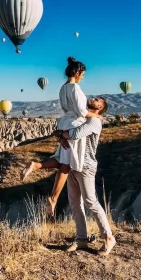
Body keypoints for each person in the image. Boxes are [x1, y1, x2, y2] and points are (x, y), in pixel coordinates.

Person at [21, 57, 99, 216]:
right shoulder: (75, 88)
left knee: (64, 161)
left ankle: (39, 171)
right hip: (74, 125)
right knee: (68, 164)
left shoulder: (63, 88)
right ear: (77, 72)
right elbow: (83, 112)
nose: (83, 77)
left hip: (64, 122)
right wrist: (97, 117)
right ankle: (53, 196)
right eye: (82, 74)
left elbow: (65, 109)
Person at [60, 97, 116, 256]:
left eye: (98, 100)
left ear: (100, 108)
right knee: (74, 202)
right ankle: (81, 239)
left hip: (86, 166)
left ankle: (108, 237)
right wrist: (61, 133)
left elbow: (75, 134)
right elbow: (67, 129)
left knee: (91, 201)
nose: (93, 98)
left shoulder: (95, 122)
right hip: (72, 163)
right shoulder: (81, 119)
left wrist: (61, 133)